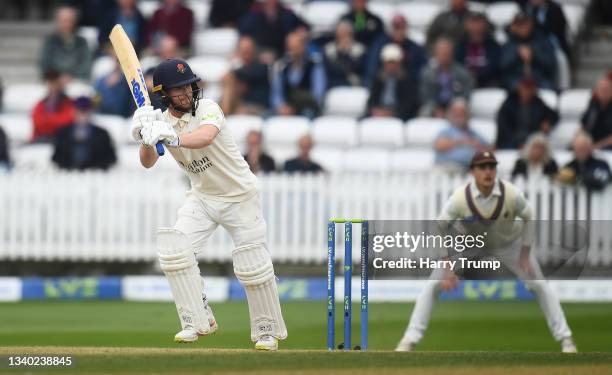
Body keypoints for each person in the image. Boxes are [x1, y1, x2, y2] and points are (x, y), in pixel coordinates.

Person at [130, 58, 287, 349]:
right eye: (178, 89)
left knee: (253, 262)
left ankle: (267, 330)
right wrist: (144, 137)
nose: (186, 92)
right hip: (203, 196)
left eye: (188, 85)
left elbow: (205, 137)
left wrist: (172, 136)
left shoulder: (208, 108)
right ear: (165, 95)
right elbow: (148, 162)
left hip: (240, 195)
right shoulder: (161, 121)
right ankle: (197, 319)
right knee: (175, 250)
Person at [396, 150, 578, 354]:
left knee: (540, 286)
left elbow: (529, 216)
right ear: (473, 171)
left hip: (509, 244)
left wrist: (525, 254)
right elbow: (440, 226)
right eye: (482, 167)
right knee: (432, 286)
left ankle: (566, 340)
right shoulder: (460, 197)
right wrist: (447, 265)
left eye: (491, 167)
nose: (488, 172)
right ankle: (409, 340)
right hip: (469, 245)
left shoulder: (511, 193)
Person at [270, 32, 327, 118]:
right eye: (291, 48)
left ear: (304, 46)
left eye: (296, 47)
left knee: (308, 114)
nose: (294, 51)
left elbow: (318, 94)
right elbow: (276, 94)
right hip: (286, 108)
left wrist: (296, 108)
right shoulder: (282, 67)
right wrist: (281, 107)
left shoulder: (314, 65)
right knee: (267, 115)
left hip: (307, 107)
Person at [52, 96, 117, 171]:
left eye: (85, 111)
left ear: (91, 112)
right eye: (79, 111)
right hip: (68, 175)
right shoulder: (62, 134)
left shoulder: (102, 134)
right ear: (73, 112)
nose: (82, 115)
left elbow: (111, 158)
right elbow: (56, 158)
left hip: (95, 176)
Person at [496, 76, 558, 149]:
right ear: (519, 87)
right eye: (525, 88)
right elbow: (504, 128)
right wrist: (517, 143)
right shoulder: (509, 103)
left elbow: (554, 115)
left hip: (531, 141)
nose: (527, 91)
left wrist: (548, 122)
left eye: (530, 88)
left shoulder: (537, 103)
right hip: (510, 141)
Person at [500, 12, 557, 90]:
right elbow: (501, 66)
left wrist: (534, 53)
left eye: (525, 24)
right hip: (516, 81)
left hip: (539, 80)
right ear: (514, 26)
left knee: (547, 88)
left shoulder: (542, 41)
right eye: (519, 25)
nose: (523, 28)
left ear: (531, 24)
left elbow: (551, 64)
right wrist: (516, 53)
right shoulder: (509, 43)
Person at [366, 14, 426, 88]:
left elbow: (421, 70)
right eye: (396, 28)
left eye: (401, 27)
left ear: (406, 28)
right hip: (383, 85)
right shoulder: (381, 45)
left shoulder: (415, 49)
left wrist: (406, 75)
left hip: (408, 87)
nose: (398, 31)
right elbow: (372, 68)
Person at [420, 38, 473, 118]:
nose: (444, 56)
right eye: (441, 53)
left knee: (461, 108)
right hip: (435, 106)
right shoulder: (427, 73)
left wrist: (452, 109)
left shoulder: (462, 73)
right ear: (436, 54)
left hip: (455, 105)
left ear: (452, 53)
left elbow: (465, 95)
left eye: (446, 53)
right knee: (425, 112)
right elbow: (426, 96)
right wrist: (436, 109)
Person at [239, 0, 308, 60]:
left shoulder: (287, 15)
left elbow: (303, 27)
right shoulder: (252, 17)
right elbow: (244, 36)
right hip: (258, 56)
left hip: (283, 55)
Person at [366, 44, 419, 121]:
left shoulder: (407, 80)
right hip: (379, 114)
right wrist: (375, 110)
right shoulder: (378, 79)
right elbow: (371, 100)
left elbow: (409, 104)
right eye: (388, 63)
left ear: (399, 63)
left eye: (393, 62)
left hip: (399, 116)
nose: (391, 66)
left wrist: (392, 113)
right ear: (384, 63)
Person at [433, 99, 489, 171]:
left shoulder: (473, 133)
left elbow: (488, 150)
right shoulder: (447, 131)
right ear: (450, 115)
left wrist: (478, 146)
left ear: (467, 115)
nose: (459, 117)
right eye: (456, 114)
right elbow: (439, 145)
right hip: (446, 166)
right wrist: (462, 142)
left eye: (462, 114)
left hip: (469, 169)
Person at [220, 36, 271, 115]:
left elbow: (251, 75)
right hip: (240, 106)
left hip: (258, 107)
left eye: (248, 48)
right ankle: (223, 113)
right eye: (243, 49)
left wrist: (232, 70)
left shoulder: (262, 67)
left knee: (229, 78)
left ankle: (223, 114)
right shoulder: (239, 71)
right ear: (239, 51)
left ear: (254, 49)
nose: (245, 51)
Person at [39, 6, 92, 81]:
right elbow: (44, 63)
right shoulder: (50, 41)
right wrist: (57, 77)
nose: (67, 24)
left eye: (70, 21)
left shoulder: (82, 42)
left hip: (77, 81)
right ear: (58, 21)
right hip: (54, 81)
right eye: (64, 21)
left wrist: (71, 76)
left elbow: (86, 64)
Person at [454, 12, 501, 88]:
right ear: (467, 25)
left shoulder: (493, 45)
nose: (476, 28)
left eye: (478, 23)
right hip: (464, 81)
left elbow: (494, 66)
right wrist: (468, 76)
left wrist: (478, 76)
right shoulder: (461, 44)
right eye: (473, 23)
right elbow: (457, 64)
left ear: (484, 25)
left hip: (487, 81)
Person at [31, 69, 75, 142]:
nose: (51, 85)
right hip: (41, 141)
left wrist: (46, 120)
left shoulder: (69, 102)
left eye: (54, 81)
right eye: (49, 82)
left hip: (62, 141)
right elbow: (37, 121)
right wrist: (54, 120)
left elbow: (66, 121)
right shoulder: (41, 103)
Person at [323, 21, 366, 88]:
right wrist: (341, 52)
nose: (344, 36)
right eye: (341, 33)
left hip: (354, 84)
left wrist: (346, 52)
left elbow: (358, 68)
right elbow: (330, 69)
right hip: (334, 83)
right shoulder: (329, 49)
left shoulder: (359, 49)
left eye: (346, 33)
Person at [94, 53, 134, 118]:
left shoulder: (127, 81)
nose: (118, 64)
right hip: (102, 115)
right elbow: (96, 99)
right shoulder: (102, 79)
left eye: (121, 62)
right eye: (117, 61)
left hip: (121, 118)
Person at [581, 77, 612, 150]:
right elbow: (583, 126)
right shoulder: (593, 104)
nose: (603, 92)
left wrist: (595, 146)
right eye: (601, 89)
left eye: (606, 90)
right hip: (591, 143)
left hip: (606, 145)